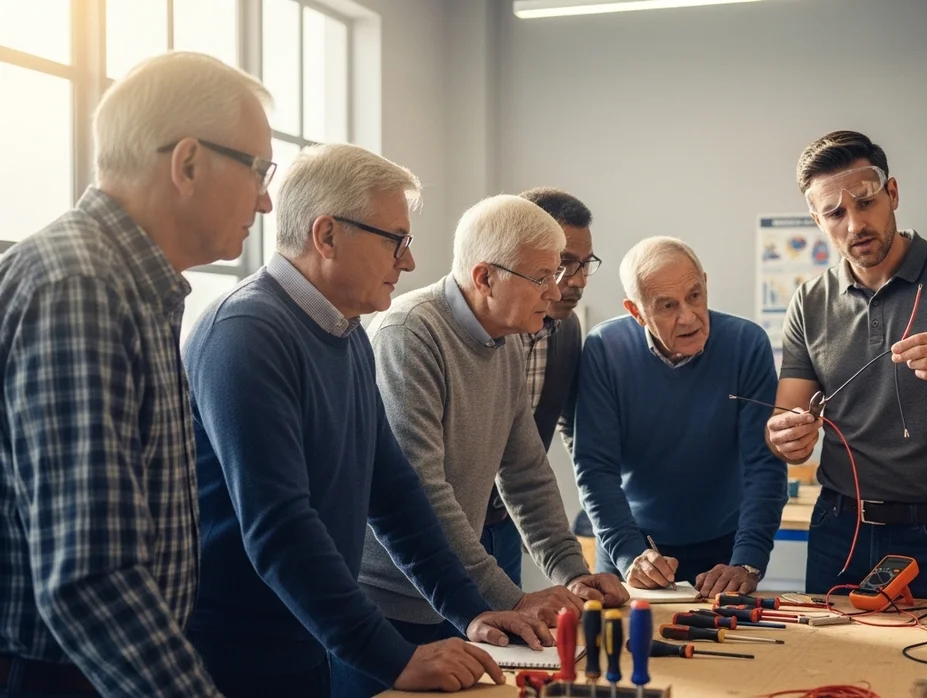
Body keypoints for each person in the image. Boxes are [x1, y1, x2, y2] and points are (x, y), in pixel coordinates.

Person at [183, 144, 549, 698]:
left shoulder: (347, 333)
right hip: (233, 657)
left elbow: (394, 490)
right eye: (396, 241)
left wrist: (472, 611)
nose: (408, 262)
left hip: (305, 643)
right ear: (326, 235)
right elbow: (280, 529)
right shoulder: (247, 332)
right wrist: (395, 660)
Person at [0, 52, 272, 698]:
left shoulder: (133, 286)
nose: (265, 197)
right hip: (63, 676)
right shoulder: (81, 286)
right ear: (187, 163)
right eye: (259, 170)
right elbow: (91, 578)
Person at [347, 194, 627, 697]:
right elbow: (421, 490)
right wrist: (510, 597)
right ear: (484, 277)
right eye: (542, 276)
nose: (556, 289)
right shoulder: (410, 332)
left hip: (454, 598)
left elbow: (526, 472)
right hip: (385, 603)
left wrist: (572, 573)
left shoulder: (511, 339)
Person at [765, 130, 927, 601]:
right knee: (826, 663)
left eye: (865, 202)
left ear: (892, 193)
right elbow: (788, 419)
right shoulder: (810, 301)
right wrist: (786, 435)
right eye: (835, 213)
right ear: (816, 219)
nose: (854, 225)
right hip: (840, 530)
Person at [572, 236, 787, 597]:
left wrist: (748, 560)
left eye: (695, 296)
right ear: (636, 311)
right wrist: (628, 554)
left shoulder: (746, 344)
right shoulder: (605, 349)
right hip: (632, 544)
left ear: (704, 282)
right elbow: (595, 469)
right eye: (667, 306)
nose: (688, 317)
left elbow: (764, 463)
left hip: (724, 547)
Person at [480, 187, 601, 587]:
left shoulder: (568, 329)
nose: (578, 281)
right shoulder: (480, 332)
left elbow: (556, 438)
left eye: (586, 264)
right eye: (565, 264)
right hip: (445, 525)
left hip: (507, 521)